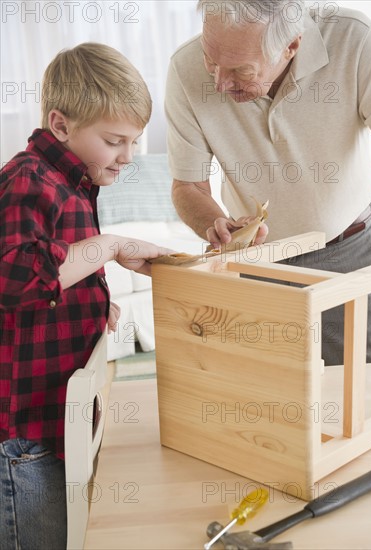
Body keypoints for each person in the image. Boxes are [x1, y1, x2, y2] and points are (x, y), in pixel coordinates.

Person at [0, 43, 172, 549]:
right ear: (60, 125)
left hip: (60, 420)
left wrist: (91, 304)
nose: (128, 157)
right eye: (115, 141)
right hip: (27, 431)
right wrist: (110, 246)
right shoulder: (27, 179)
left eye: (135, 141)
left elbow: (55, 279)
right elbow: (15, 279)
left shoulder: (74, 183)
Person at [165, 0, 371, 365]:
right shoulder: (185, 68)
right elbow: (188, 187)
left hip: (351, 255)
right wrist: (215, 226)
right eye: (211, 60)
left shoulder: (355, 40)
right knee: (266, 405)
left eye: (240, 70)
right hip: (257, 267)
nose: (219, 83)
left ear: (292, 45)